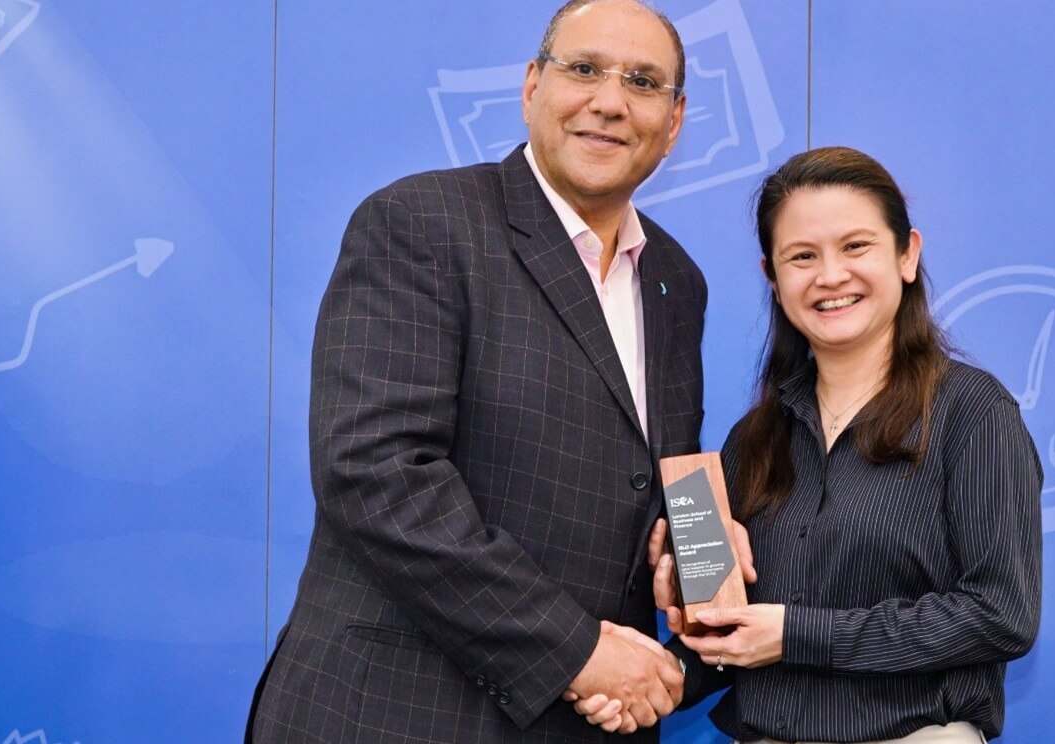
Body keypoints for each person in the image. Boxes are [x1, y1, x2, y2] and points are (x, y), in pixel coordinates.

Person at [246, 1, 746, 741]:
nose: (608, 102)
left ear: (672, 123)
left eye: (643, 82)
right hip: (401, 711)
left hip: (580, 723)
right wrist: (577, 651)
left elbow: (658, 472)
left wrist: (701, 559)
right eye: (583, 70)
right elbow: (376, 473)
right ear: (531, 87)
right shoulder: (421, 221)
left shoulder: (676, 280)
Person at [575, 147, 1043, 742]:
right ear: (773, 277)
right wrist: (655, 676)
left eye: (856, 247)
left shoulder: (972, 413)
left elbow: (1002, 615)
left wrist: (796, 634)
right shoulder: (754, 440)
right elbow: (738, 632)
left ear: (907, 255)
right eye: (802, 256)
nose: (830, 276)